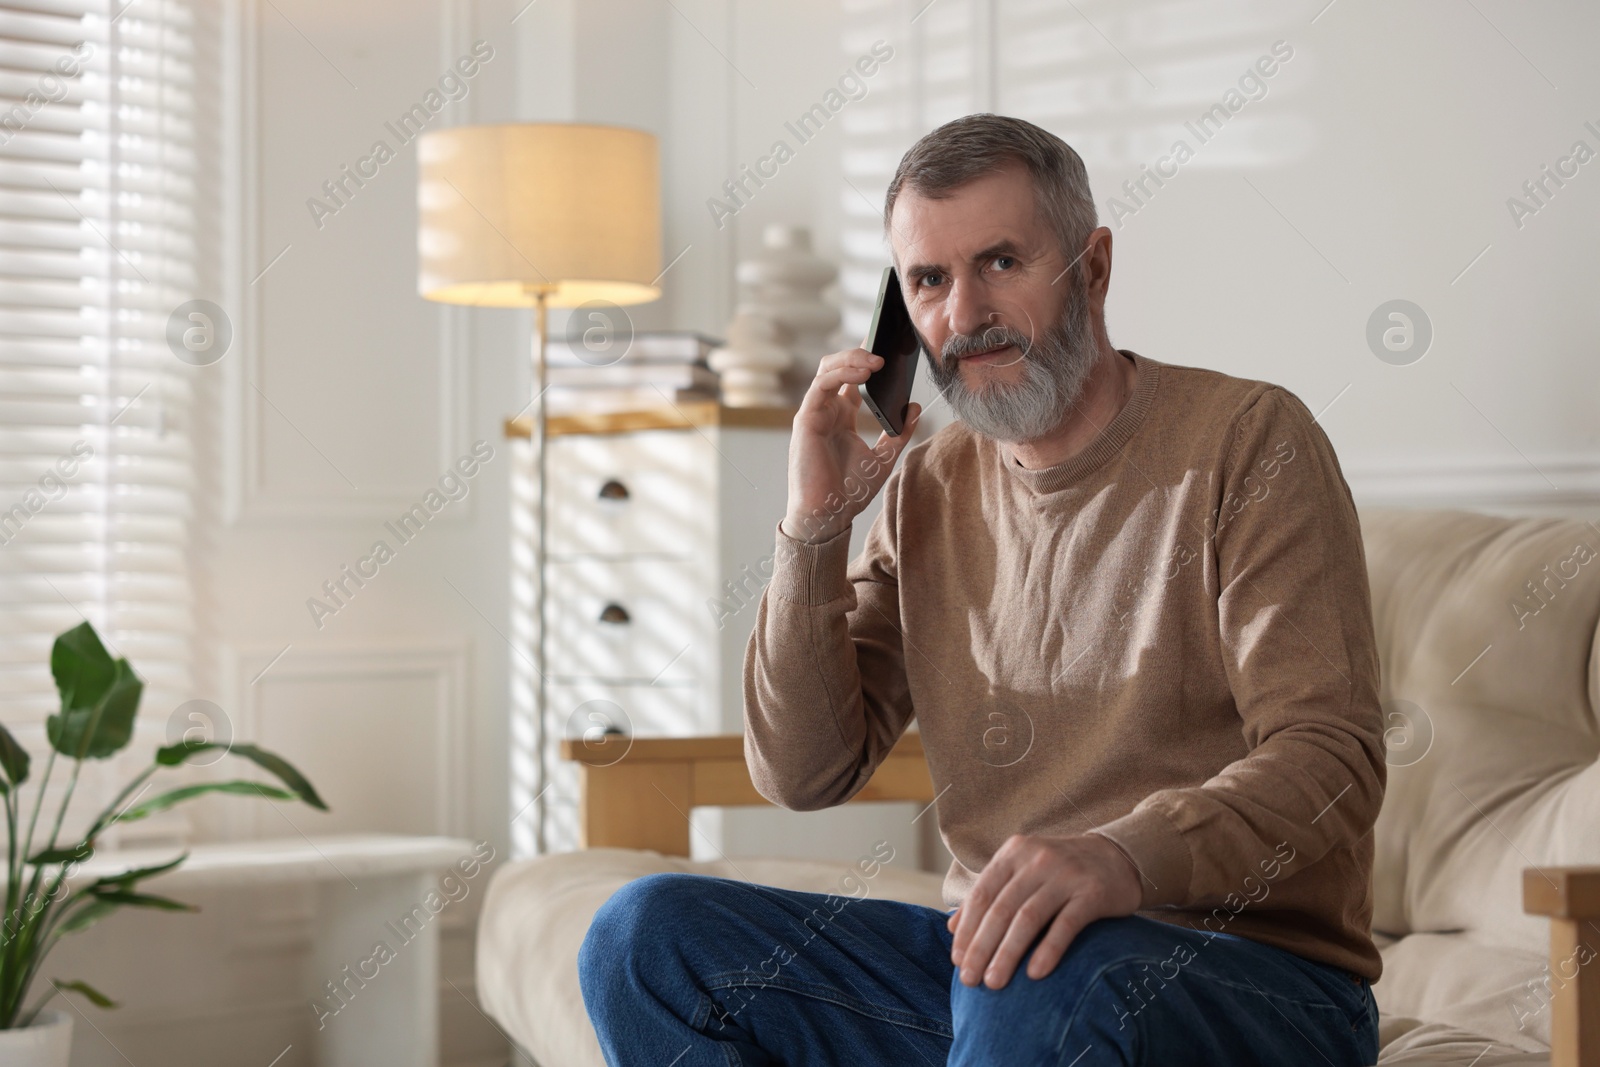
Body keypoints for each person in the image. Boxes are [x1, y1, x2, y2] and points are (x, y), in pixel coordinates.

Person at [579, 112, 1385, 1066]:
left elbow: (1331, 758)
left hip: (1251, 980)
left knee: (1042, 967)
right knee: (646, 939)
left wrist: (1124, 855)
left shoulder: (1250, 440)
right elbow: (802, 772)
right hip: (1001, 979)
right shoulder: (925, 486)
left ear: (1091, 268)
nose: (964, 316)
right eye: (929, 280)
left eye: (1000, 262)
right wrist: (814, 532)